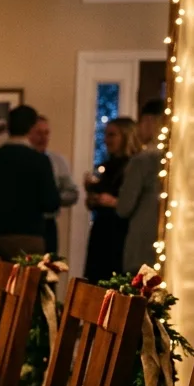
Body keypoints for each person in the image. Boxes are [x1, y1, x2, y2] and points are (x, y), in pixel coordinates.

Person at [0, 104, 61, 258]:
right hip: (29, 238)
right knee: (30, 281)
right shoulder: (40, 161)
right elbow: (51, 203)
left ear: (8, 127)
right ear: (31, 128)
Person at [108, 99, 166, 274]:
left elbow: (124, 207)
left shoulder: (143, 160)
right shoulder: (172, 158)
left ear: (149, 121)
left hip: (142, 241)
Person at [82, 117, 141, 282]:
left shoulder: (134, 166)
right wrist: (92, 196)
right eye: (106, 135)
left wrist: (113, 202)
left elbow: (134, 203)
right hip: (102, 229)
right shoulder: (106, 166)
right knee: (96, 278)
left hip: (120, 232)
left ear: (126, 136)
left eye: (112, 135)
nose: (106, 140)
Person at [28, 116, 78, 255]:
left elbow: (72, 193)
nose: (43, 138)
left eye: (46, 133)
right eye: (38, 133)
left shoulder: (57, 161)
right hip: (23, 225)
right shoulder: (21, 161)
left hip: (47, 224)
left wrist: (52, 197)